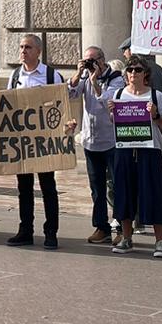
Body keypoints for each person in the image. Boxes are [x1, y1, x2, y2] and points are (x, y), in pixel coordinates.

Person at [106, 57, 162, 258]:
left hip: (148, 150)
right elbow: (114, 123)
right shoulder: (119, 94)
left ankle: (159, 241)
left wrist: (154, 115)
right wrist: (112, 114)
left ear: (146, 74)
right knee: (124, 192)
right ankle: (127, 237)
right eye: (130, 69)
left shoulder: (156, 95)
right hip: (125, 150)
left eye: (138, 69)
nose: (133, 73)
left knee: (153, 193)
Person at [6, 33, 67, 249]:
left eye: (28, 47)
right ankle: (25, 230)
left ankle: (51, 232)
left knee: (48, 187)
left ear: (38, 51)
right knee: (24, 187)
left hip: (45, 142)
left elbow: (62, 106)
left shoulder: (52, 75)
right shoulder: (14, 76)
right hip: (22, 142)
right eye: (22, 47)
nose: (23, 51)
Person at [68, 46, 118, 244]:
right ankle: (101, 227)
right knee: (96, 188)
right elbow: (71, 93)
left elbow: (107, 100)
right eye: (86, 60)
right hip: (91, 141)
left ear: (102, 60)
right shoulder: (84, 77)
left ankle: (122, 227)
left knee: (116, 187)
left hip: (112, 141)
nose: (90, 64)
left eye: (92, 60)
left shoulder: (116, 78)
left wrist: (94, 81)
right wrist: (79, 73)